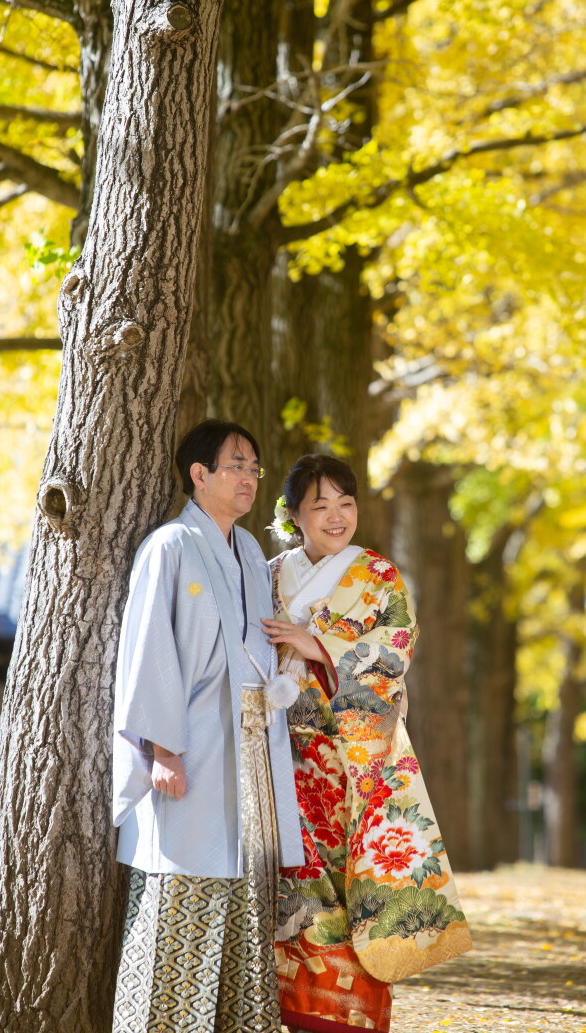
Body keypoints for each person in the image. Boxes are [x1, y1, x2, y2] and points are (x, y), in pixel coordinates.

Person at [262, 453, 472, 1033]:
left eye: (345, 503)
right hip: (280, 754)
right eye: (320, 505)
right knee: (295, 885)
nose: (336, 516)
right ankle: (296, 1009)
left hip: (350, 756)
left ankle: (350, 1016)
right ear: (293, 515)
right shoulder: (269, 574)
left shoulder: (379, 576)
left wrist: (317, 646)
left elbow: (396, 648)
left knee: (354, 887)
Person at [111, 419, 304, 1033]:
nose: (250, 478)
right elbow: (149, 649)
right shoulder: (167, 546)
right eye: (237, 466)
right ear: (200, 475)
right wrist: (163, 747)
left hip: (250, 742)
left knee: (243, 885)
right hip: (189, 743)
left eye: (255, 468)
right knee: (182, 881)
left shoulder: (248, 550)